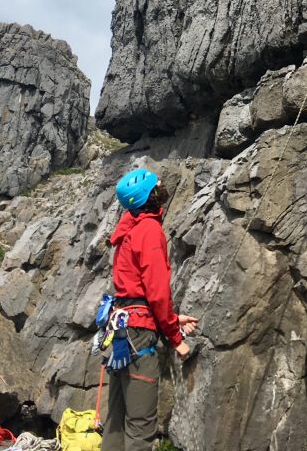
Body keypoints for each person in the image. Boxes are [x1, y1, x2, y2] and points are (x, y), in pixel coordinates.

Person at [102, 168, 198, 451]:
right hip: (138, 335)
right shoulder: (149, 230)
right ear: (150, 194)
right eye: (157, 184)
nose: (162, 185)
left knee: (116, 421)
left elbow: (136, 292)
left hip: (122, 328)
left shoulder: (129, 230)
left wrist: (172, 319)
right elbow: (156, 291)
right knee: (140, 425)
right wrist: (176, 338)